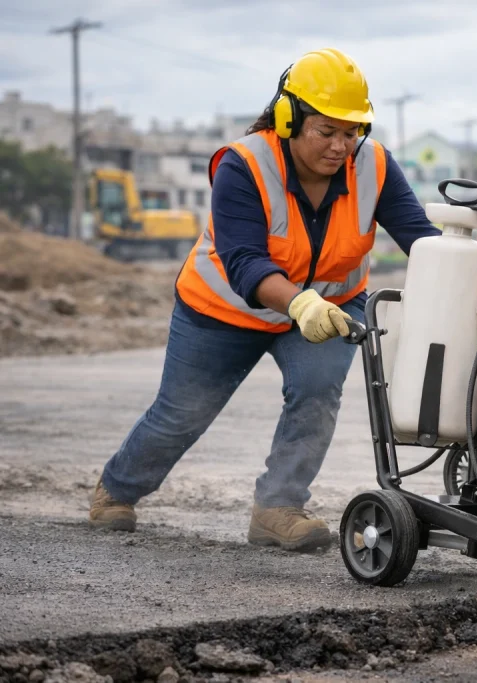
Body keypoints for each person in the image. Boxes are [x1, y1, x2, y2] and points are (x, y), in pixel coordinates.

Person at [88, 48, 440, 552]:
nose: (343, 146)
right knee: (182, 414)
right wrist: (298, 303)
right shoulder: (245, 164)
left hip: (326, 308)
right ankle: (116, 490)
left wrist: (470, 280)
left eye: (352, 131)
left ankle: (278, 508)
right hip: (225, 310)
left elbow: (421, 240)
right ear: (288, 119)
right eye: (327, 130)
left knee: (317, 394)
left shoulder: (375, 166)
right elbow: (244, 261)